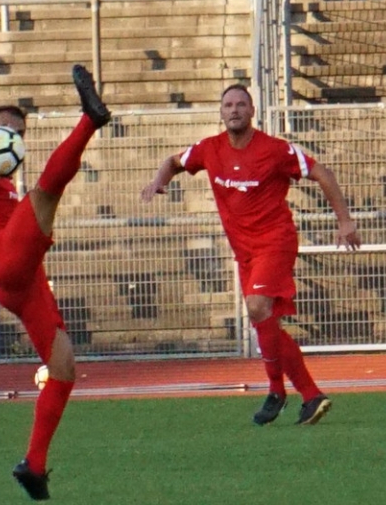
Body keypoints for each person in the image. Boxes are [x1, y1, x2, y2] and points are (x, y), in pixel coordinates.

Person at [141, 84, 360, 427]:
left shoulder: (274, 150)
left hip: (275, 242)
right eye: (228, 105)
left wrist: (345, 221)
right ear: (221, 112)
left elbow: (322, 173)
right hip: (244, 251)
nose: (234, 110)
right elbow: (173, 162)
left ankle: (276, 390)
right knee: (265, 322)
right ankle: (309, 395)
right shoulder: (209, 149)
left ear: (252, 111)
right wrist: (159, 180)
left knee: (258, 307)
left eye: (241, 104)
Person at [0, 65, 111, 500]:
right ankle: (90, 121)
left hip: (23, 282)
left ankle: (34, 465)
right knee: (45, 192)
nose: (13, 136)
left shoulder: (5, 180)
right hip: (5, 260)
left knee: (63, 367)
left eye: (19, 132)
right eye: (5, 130)